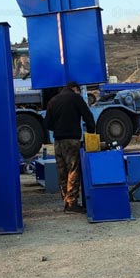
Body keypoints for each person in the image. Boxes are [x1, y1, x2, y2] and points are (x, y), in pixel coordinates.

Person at [43, 81, 96, 213]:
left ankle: (66, 202)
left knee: (62, 172)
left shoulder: (53, 100)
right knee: (73, 170)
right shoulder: (76, 98)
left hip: (58, 142)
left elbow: (47, 124)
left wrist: (58, 128)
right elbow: (88, 117)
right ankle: (72, 203)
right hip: (72, 140)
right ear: (75, 89)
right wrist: (91, 133)